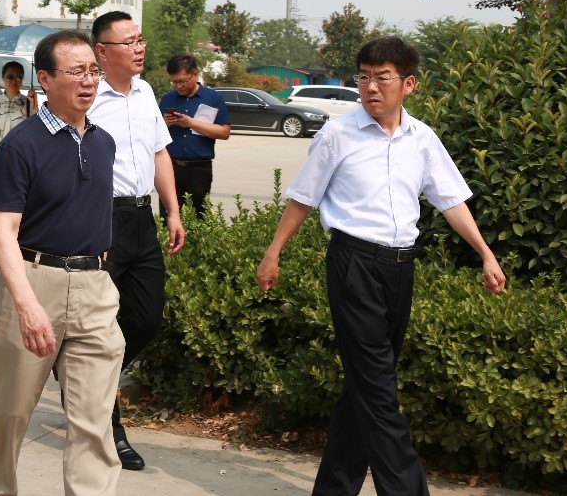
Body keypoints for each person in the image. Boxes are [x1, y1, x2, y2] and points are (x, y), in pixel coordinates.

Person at [256, 36, 507, 496]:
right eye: (364, 78)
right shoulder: (338, 134)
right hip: (353, 264)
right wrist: (273, 253)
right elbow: (303, 197)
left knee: (366, 385)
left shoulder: (422, 139)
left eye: (382, 78)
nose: (371, 87)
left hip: (399, 269)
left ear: (409, 84)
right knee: (378, 389)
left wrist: (485, 254)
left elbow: (451, 200)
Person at [0, 30, 124, 496]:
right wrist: (27, 306)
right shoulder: (21, 146)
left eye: (94, 70)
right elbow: (2, 233)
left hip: (95, 288)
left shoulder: (103, 142)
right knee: (8, 414)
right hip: (33, 281)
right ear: (44, 78)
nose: (89, 80)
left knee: (94, 420)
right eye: (76, 71)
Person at [87, 11, 187, 471]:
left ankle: (88, 375)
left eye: (140, 39)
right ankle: (110, 427)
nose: (139, 47)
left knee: (147, 318)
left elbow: (159, 152)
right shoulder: (87, 96)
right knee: (100, 322)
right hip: (101, 220)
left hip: (141, 219)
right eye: (129, 41)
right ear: (102, 51)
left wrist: (172, 210)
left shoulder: (146, 92)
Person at [158, 54, 231, 217]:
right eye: (174, 82)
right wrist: (164, 124)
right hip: (170, 167)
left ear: (195, 74)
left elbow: (225, 132)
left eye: (182, 81)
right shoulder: (168, 99)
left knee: (200, 217)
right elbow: (152, 133)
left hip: (199, 169)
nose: (178, 86)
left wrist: (191, 123)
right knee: (167, 217)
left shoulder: (213, 98)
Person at [0, 59, 39, 162]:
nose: (14, 81)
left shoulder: (28, 104)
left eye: (19, 77)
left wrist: (34, 103)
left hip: (19, 161)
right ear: (3, 78)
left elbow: (35, 132)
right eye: (10, 77)